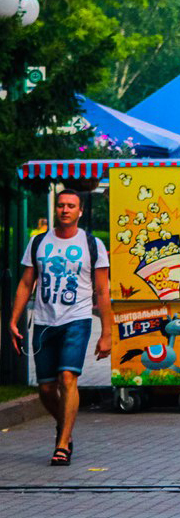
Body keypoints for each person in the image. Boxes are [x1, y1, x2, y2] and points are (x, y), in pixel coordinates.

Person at [9, 189, 112, 466]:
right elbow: (25, 283)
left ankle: (63, 443)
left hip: (76, 319)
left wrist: (107, 333)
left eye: (71, 206)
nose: (65, 210)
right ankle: (64, 424)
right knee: (45, 389)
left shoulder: (93, 245)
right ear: (56, 210)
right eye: (61, 205)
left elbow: (102, 292)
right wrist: (13, 319)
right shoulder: (38, 242)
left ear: (80, 212)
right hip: (43, 320)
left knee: (68, 378)